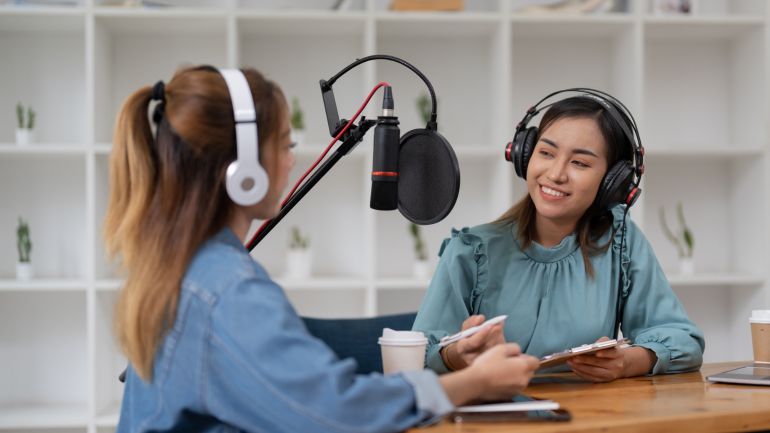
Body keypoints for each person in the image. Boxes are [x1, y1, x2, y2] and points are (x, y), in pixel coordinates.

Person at [106, 65, 540, 433]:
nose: (291, 160)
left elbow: (306, 377)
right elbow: (335, 412)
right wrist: (473, 384)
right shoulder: (226, 291)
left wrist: (445, 355)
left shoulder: (187, 267)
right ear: (243, 171)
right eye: (284, 144)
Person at [413, 90, 705, 383]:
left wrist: (628, 362)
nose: (556, 174)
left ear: (612, 182)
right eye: (546, 153)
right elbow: (416, 356)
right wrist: (455, 355)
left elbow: (683, 339)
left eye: (580, 163)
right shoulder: (470, 251)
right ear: (524, 155)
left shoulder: (621, 241)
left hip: (591, 418)